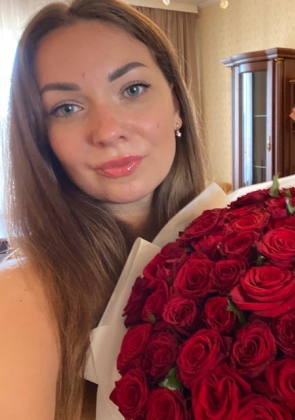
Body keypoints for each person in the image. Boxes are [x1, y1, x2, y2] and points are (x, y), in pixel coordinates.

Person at [0, 0, 208, 418]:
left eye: (132, 89)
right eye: (66, 108)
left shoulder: (248, 241)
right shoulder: (22, 298)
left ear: (176, 106)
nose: (108, 131)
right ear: (42, 138)